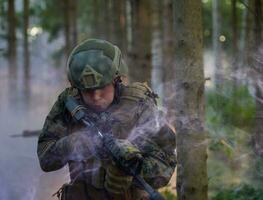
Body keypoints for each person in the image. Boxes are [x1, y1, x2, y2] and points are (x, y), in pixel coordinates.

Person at [37, 39, 176, 200]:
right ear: (77, 87)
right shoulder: (69, 103)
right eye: (87, 91)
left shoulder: (138, 104)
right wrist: (75, 144)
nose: (96, 97)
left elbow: (166, 163)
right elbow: (45, 158)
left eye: (102, 88)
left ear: (116, 80)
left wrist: (133, 168)